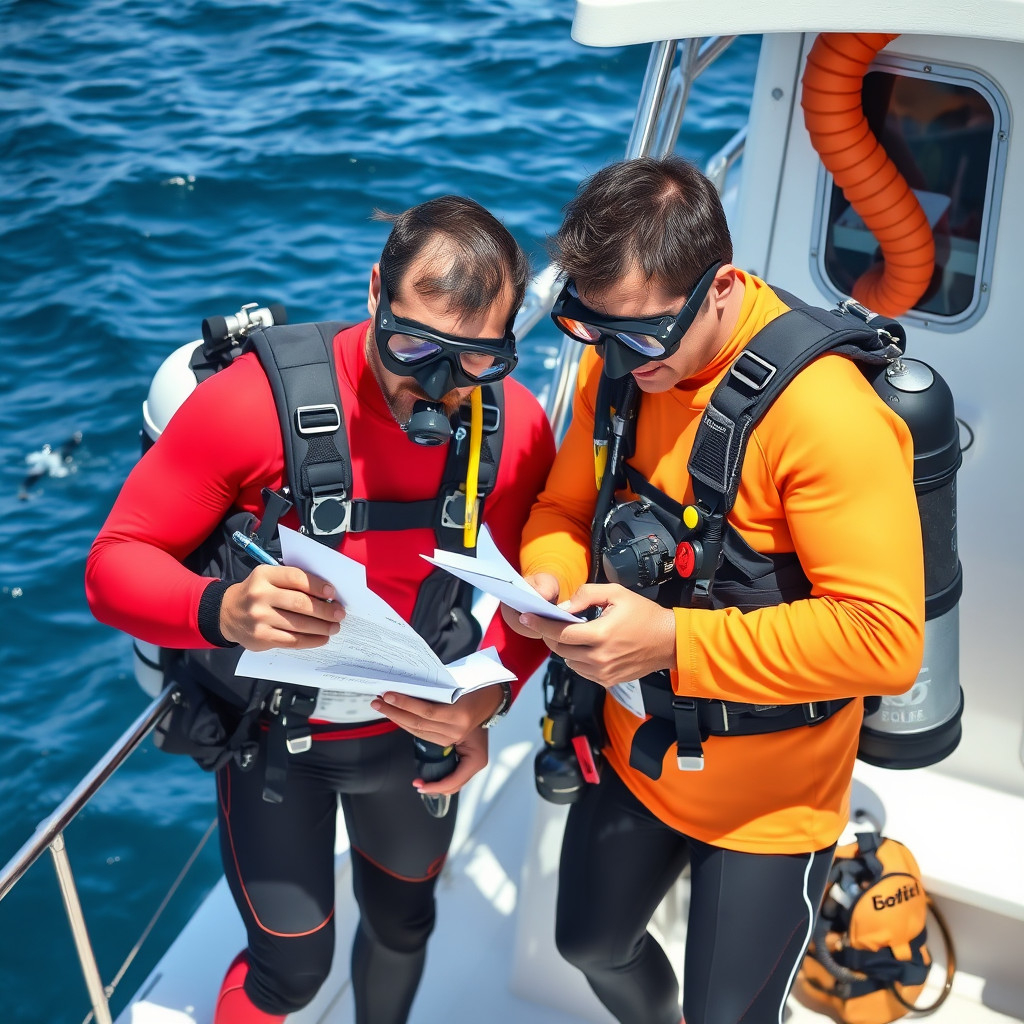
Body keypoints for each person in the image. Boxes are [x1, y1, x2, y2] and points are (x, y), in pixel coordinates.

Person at [86, 195, 555, 1024]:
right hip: (275, 744)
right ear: (374, 291)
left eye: (477, 361)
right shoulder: (247, 405)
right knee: (289, 977)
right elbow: (113, 566)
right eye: (413, 346)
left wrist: (494, 696)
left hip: (414, 739)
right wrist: (222, 607)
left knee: (407, 924)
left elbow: (532, 601)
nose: (438, 386)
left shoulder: (513, 425)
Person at [502, 157, 924, 1024]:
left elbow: (886, 642)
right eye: (591, 329)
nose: (620, 359)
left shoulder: (829, 418)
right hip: (635, 746)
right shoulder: (623, 352)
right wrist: (548, 579)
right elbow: (564, 503)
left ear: (722, 287)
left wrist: (669, 643)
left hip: (771, 797)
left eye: (645, 337)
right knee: (589, 945)